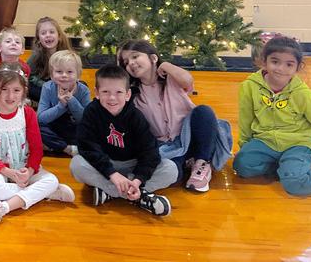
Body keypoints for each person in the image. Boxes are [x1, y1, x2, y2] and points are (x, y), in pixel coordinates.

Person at [233, 36, 311, 195]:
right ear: (264, 61)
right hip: (265, 141)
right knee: (241, 166)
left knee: (295, 184)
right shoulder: (249, 86)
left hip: (297, 144)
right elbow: (245, 118)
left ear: (298, 67)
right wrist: (245, 146)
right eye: (275, 61)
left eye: (289, 64)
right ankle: (288, 167)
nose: (281, 69)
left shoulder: (305, 95)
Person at [118, 40, 232, 192]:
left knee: (203, 111)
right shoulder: (134, 95)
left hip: (192, 137)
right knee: (174, 175)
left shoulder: (171, 78)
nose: (131, 63)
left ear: (153, 58)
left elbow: (187, 80)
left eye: (135, 56)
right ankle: (187, 163)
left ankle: (201, 162)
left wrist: (166, 65)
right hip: (169, 147)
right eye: (126, 62)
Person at [70, 65, 177, 217]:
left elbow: (150, 152)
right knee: (77, 164)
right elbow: (88, 147)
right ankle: (139, 196)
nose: (112, 98)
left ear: (127, 94)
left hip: (132, 165)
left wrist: (138, 179)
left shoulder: (136, 117)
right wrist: (112, 174)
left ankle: (112, 192)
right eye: (105, 92)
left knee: (170, 169)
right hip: (105, 165)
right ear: (97, 93)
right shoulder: (91, 112)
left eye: (118, 92)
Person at [0, 63, 74, 227]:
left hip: (23, 166)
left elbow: (36, 149)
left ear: (24, 90)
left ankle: (4, 207)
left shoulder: (27, 113)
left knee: (51, 180)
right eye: (4, 89)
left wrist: (28, 171)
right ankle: (45, 193)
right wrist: (8, 172)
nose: (10, 96)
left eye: (16, 90)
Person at [37, 50, 91, 157]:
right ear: (52, 75)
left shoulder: (84, 90)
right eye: (59, 72)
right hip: (54, 127)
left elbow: (85, 119)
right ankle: (67, 148)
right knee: (37, 127)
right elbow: (41, 118)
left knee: (92, 130)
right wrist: (61, 106)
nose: (64, 75)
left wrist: (71, 100)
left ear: (78, 75)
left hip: (74, 128)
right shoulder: (47, 87)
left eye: (69, 72)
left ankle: (55, 146)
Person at [27, 17, 73, 105]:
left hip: (64, 87)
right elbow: (29, 77)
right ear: (39, 39)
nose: (48, 35)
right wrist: (47, 86)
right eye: (43, 33)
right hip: (44, 88)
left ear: (59, 36)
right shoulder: (35, 57)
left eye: (51, 32)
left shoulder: (68, 56)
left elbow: (74, 75)